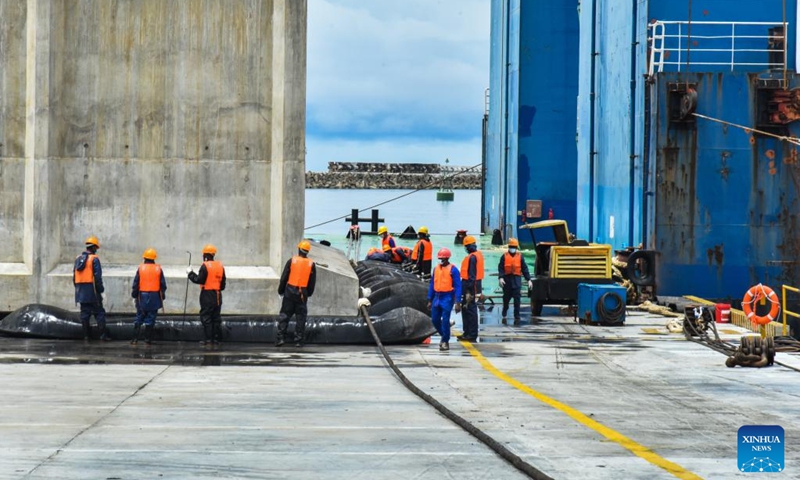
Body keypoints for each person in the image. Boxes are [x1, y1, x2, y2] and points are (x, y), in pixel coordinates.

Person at [277, 240, 317, 347]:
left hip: (289, 291)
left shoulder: (292, 261)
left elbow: (284, 277)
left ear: (299, 249)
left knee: (285, 315)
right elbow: (312, 282)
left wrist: (280, 290)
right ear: (307, 252)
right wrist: (308, 293)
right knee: (301, 317)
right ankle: (298, 340)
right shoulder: (311, 264)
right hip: (302, 293)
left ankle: (280, 338)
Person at [188, 244, 227, 345]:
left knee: (206, 317)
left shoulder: (205, 266)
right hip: (217, 295)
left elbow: (199, 279)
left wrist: (190, 274)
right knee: (215, 317)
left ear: (205, 255)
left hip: (207, 295)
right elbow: (223, 285)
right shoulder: (220, 266)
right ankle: (215, 339)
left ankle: (208, 339)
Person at [73, 236, 109, 340]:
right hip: (92, 291)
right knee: (99, 312)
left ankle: (86, 336)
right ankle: (102, 335)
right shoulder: (94, 259)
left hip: (81, 291)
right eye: (96, 248)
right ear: (93, 248)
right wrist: (100, 290)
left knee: (84, 313)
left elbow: (74, 277)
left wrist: (78, 290)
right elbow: (97, 277)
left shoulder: (77, 259)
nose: (96, 250)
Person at [427, 248, 462, 351]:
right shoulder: (436, 269)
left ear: (447, 258)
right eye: (440, 258)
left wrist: (458, 302)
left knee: (446, 320)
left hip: (447, 297)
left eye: (443, 258)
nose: (441, 260)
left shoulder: (453, 270)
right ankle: (444, 335)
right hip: (437, 297)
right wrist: (429, 299)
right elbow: (432, 284)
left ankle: (445, 341)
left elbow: (458, 286)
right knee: (434, 319)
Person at [131, 248, 167, 345]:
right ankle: (148, 340)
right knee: (151, 318)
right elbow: (163, 285)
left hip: (142, 297)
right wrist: (163, 295)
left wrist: (134, 293)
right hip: (154, 297)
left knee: (139, 317)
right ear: (154, 259)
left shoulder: (141, 268)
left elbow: (136, 283)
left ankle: (135, 339)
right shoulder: (158, 269)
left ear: (145, 258)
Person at [498, 238, 532, 324]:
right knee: (506, 299)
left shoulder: (520, 257)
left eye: (514, 247)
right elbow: (501, 268)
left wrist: (529, 280)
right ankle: (505, 310)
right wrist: (501, 278)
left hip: (516, 281)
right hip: (507, 281)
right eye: (511, 247)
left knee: (517, 300)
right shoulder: (504, 256)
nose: (512, 248)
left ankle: (517, 316)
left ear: (516, 248)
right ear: (509, 247)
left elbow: (524, 269)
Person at [458, 235, 484, 341]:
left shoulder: (473, 257)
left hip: (470, 287)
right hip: (473, 285)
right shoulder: (477, 255)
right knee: (466, 309)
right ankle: (467, 332)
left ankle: (471, 334)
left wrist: (469, 291)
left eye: (466, 246)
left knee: (470, 310)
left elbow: (472, 276)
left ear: (469, 246)